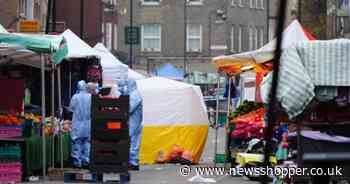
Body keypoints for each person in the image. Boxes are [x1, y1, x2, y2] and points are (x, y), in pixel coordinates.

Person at [119, 79, 143, 170]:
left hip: (134, 122)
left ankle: (133, 163)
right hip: (134, 122)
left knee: (132, 143)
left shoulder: (135, 95)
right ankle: (132, 162)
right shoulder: (134, 94)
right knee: (133, 142)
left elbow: (129, 108)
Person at [69, 80, 92, 168]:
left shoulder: (75, 97)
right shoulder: (90, 97)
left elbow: (71, 108)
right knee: (86, 143)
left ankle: (77, 162)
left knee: (76, 143)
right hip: (87, 124)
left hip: (77, 123)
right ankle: (86, 161)